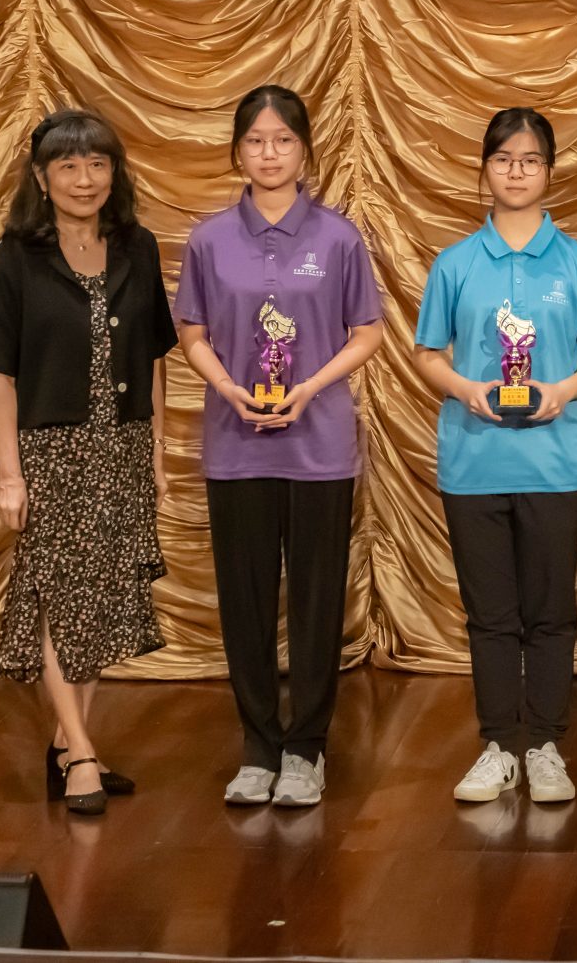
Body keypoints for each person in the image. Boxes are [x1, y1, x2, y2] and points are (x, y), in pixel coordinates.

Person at [176, 85, 384, 808]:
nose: (269, 153)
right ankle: (259, 746)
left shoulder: (338, 237)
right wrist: (230, 389)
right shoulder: (209, 239)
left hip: (319, 445)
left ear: (305, 149)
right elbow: (192, 333)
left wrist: (310, 386)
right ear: (237, 151)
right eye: (256, 141)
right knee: (245, 601)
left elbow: (367, 333)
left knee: (318, 600)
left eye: (283, 140)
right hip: (237, 445)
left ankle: (307, 748)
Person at [0, 108, 177, 817]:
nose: (84, 179)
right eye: (68, 166)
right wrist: (9, 473)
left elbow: (153, 356)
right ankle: (83, 752)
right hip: (52, 452)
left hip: (123, 445)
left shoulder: (137, 246)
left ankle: (67, 742)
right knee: (62, 599)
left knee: (104, 599)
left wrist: (156, 454)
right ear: (41, 176)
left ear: (114, 173)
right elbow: (0, 372)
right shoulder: (18, 256)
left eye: (97, 164)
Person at [413, 108, 577, 805]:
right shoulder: (455, 263)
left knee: (551, 611)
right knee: (491, 616)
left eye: (531, 160)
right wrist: (465, 388)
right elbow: (426, 353)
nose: (516, 171)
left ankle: (546, 746)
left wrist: (562, 390)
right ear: (485, 169)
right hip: (473, 464)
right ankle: (499, 745)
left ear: (549, 172)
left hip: (554, 464)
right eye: (504, 158)